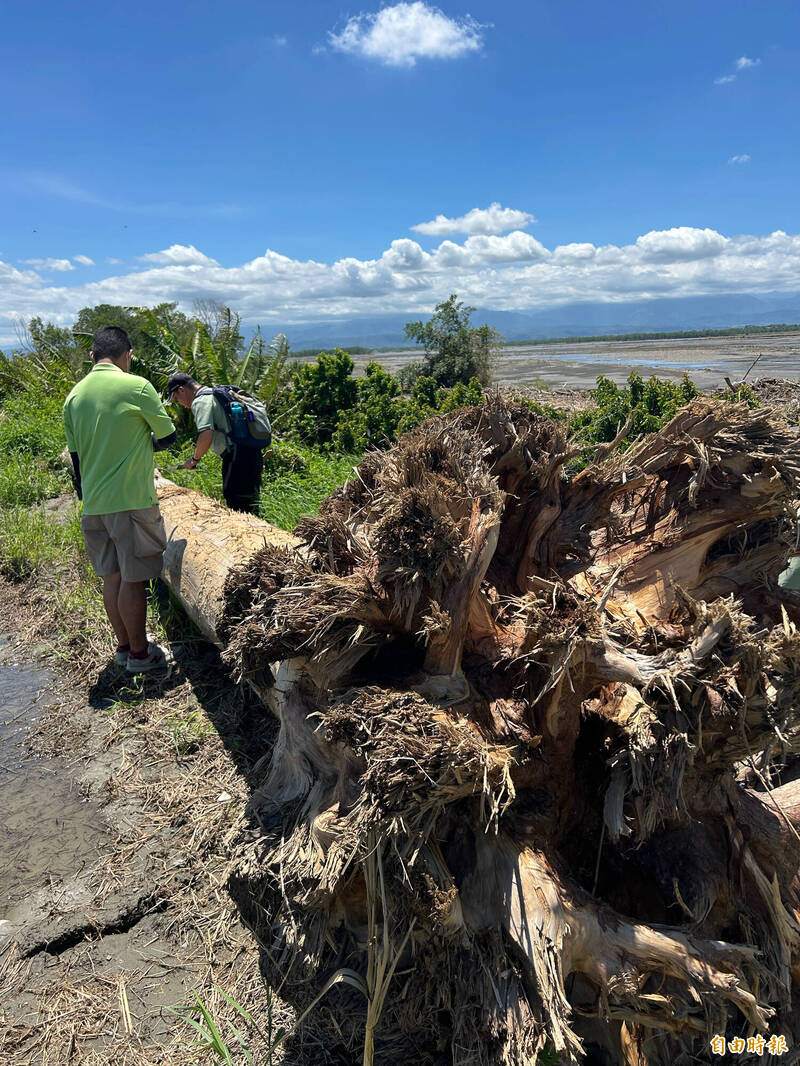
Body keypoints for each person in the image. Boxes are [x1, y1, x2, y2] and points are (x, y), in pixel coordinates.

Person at [63, 326, 176, 673]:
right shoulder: (136, 386)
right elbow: (167, 436)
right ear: (126, 354)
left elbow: (77, 460)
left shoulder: (74, 397)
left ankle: (125, 649)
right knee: (133, 577)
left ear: (93, 356)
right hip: (129, 500)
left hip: (93, 504)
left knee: (110, 577)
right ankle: (142, 657)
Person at [166, 372, 263, 515]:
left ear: (181, 390)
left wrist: (194, 460)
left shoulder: (200, 401)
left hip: (236, 457)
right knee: (251, 502)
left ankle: (248, 536)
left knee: (236, 503)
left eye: (176, 398)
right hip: (252, 451)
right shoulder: (213, 393)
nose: (180, 403)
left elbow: (206, 434)